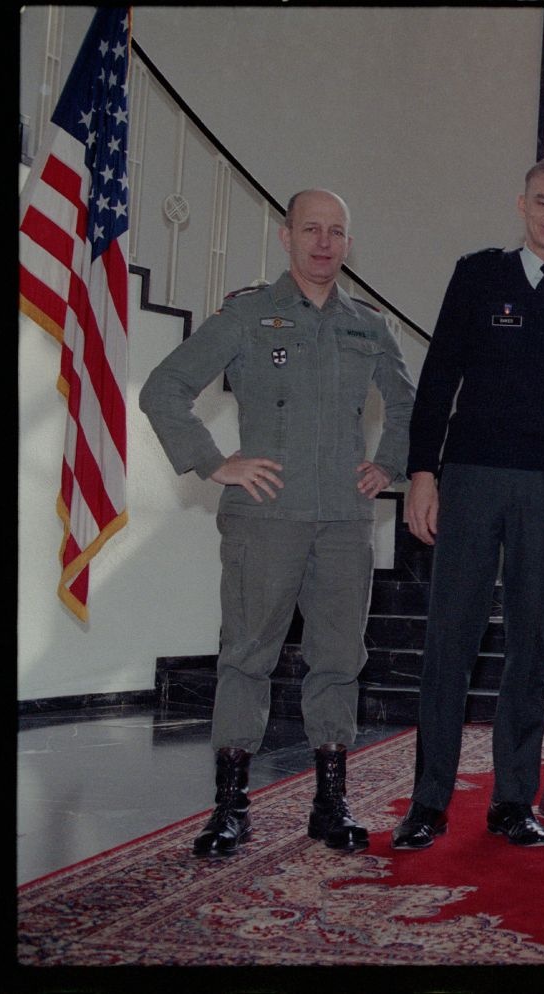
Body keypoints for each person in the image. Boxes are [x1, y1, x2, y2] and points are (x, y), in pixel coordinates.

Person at [140, 189, 416, 858]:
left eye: (337, 232)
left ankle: (331, 802)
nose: (324, 242)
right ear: (287, 236)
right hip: (266, 521)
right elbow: (164, 388)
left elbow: (410, 402)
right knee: (246, 657)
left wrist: (389, 467)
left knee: (339, 661)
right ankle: (230, 808)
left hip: (345, 524)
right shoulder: (248, 316)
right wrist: (215, 463)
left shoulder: (367, 325)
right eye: (312, 229)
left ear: (349, 244)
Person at [391, 157, 544, 850]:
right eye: (543, 202)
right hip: (469, 478)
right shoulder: (477, 275)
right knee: (450, 641)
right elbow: (437, 381)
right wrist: (422, 473)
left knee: (530, 644)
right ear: (521, 205)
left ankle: (511, 802)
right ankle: (428, 803)